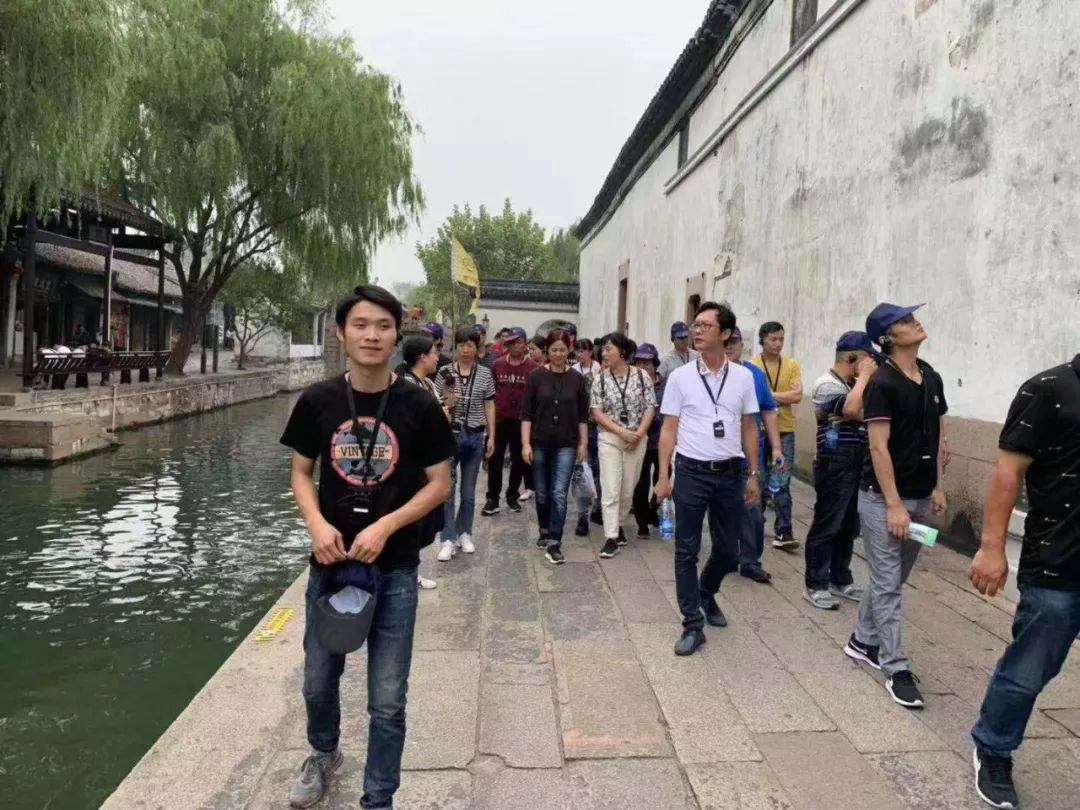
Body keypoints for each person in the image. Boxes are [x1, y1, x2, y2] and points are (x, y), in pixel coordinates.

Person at [280, 284, 455, 809]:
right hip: (330, 564)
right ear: (342, 332)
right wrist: (316, 524)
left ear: (397, 334)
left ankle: (378, 799)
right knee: (317, 681)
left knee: (387, 699)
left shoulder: (419, 404)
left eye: (383, 325)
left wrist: (386, 526)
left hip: (395, 567)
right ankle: (323, 752)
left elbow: (440, 484)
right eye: (360, 324)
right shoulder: (319, 400)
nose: (371, 335)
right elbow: (301, 472)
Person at [966, 355, 1080, 809]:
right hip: (1057, 566)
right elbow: (1008, 472)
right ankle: (993, 748)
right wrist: (991, 547)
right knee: (1029, 672)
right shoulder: (1049, 388)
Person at [843, 303, 947, 710]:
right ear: (887, 337)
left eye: (912, 317)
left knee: (894, 579)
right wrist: (893, 505)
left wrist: (938, 487)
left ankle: (862, 640)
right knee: (887, 583)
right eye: (903, 321)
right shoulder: (882, 383)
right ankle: (895, 668)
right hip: (883, 499)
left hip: (921, 496)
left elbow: (938, 436)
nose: (914, 322)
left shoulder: (931, 376)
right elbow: (878, 448)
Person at [655, 302, 760, 656]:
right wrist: (663, 475)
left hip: (730, 473)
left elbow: (749, 427)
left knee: (729, 552)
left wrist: (754, 473)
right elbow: (668, 429)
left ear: (725, 333)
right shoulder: (680, 377)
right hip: (690, 472)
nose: (696, 331)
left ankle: (706, 591)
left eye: (705, 326)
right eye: (695, 325)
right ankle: (692, 624)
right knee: (686, 550)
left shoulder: (743, 377)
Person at [803, 331, 876, 609]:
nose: (872, 365)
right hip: (834, 462)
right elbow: (853, 409)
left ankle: (840, 577)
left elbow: (866, 414)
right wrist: (864, 382)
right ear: (853, 357)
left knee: (849, 525)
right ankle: (815, 583)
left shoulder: (852, 385)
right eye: (868, 359)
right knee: (828, 523)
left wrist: (854, 407)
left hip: (857, 460)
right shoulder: (826, 384)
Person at [521, 329, 589, 565]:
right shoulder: (536, 376)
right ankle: (544, 529)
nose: (559, 354)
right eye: (554, 350)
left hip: (567, 444)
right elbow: (527, 414)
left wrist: (583, 443)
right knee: (541, 493)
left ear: (568, 350)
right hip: (539, 442)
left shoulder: (577, 379)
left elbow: (582, 415)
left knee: (559, 492)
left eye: (562, 349)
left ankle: (554, 542)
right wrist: (525, 444)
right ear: (547, 351)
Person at [724, 327, 785, 584]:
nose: (729, 346)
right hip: (717, 454)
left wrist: (777, 448)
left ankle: (750, 561)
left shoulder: (754, 375)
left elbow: (769, 412)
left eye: (734, 341)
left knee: (753, 509)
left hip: (749, 455)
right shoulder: (708, 374)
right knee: (722, 509)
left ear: (742, 345)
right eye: (726, 342)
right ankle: (726, 554)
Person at [590, 332, 657, 558]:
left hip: (637, 438)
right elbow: (596, 412)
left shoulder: (642, 377)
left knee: (627, 490)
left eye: (609, 349)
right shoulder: (600, 378)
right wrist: (622, 433)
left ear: (623, 352)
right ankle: (610, 537)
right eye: (603, 349)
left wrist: (637, 434)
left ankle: (618, 526)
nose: (604, 353)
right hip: (610, 437)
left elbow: (650, 407)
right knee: (611, 487)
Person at [433, 327, 496, 561]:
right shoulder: (445, 372)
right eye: (461, 345)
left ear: (477, 347)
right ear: (456, 348)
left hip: (475, 435)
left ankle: (464, 532)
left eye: (470, 345)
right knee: (447, 490)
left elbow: (489, 404)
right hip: (450, 435)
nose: (466, 350)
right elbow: (437, 403)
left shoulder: (485, 374)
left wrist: (492, 436)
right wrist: (448, 402)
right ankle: (447, 538)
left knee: (468, 492)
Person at [400, 334, 455, 591]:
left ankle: (412, 570)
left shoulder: (429, 383)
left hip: (430, 461)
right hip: (414, 463)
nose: (437, 357)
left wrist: (447, 403)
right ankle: (409, 573)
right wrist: (439, 414)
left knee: (426, 521)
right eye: (434, 353)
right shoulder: (406, 385)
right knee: (414, 521)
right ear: (421, 356)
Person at [751, 321, 803, 551]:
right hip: (758, 429)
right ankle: (755, 525)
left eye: (781, 339)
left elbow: (797, 395)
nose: (778, 343)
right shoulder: (753, 366)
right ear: (762, 340)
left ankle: (784, 530)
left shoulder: (791, 364)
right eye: (773, 339)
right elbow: (753, 396)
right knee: (759, 479)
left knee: (782, 479)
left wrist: (768, 395)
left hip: (785, 429)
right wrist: (782, 396)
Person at [482, 327, 537, 516]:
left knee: (518, 461)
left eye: (519, 342)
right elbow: (490, 393)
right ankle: (492, 498)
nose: (515, 346)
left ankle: (512, 495)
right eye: (511, 342)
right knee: (495, 460)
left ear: (525, 344)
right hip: (499, 420)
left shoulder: (532, 368)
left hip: (521, 421)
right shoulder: (497, 365)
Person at [631, 343, 665, 537]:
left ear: (655, 364)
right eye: (639, 363)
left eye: (647, 363)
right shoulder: (631, 385)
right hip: (640, 440)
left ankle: (654, 508)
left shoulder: (666, 385)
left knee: (662, 477)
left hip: (662, 441)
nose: (643, 367)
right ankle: (642, 522)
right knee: (640, 483)